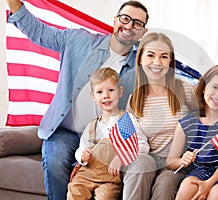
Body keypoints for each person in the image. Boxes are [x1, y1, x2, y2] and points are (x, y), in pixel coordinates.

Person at [6, 0, 154, 199]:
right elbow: (38, 32)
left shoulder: (141, 68)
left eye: (137, 23)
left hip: (105, 139)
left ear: (143, 32)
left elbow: (166, 80)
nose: (129, 26)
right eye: (125, 19)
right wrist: (13, 3)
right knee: (55, 163)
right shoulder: (78, 40)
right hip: (64, 132)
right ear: (115, 20)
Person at [127, 32, 198, 200]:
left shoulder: (184, 89)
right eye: (150, 55)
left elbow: (208, 116)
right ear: (141, 59)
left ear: (170, 62)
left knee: (165, 182)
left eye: (164, 57)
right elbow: (129, 138)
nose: (157, 62)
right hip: (148, 159)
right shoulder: (135, 99)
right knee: (141, 165)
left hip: (177, 162)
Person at [166, 64, 218, 200]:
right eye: (215, 87)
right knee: (186, 188)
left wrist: (208, 184)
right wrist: (182, 160)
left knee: (216, 194)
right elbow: (170, 161)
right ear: (204, 87)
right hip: (201, 170)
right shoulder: (187, 123)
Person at [67, 67, 149, 200]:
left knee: (106, 196)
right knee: (74, 193)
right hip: (86, 175)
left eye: (111, 90)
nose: (106, 95)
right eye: (99, 92)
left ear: (120, 92)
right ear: (93, 96)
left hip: (108, 180)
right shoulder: (92, 125)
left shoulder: (124, 121)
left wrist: (122, 157)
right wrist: (81, 156)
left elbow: (142, 146)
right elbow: (81, 148)